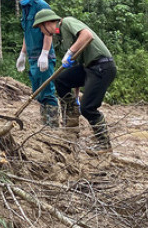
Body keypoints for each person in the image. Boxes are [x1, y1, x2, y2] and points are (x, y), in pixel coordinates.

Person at [32, 9, 116, 152]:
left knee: (88, 108)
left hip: (102, 66)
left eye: (41, 28)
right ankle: (72, 119)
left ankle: (104, 144)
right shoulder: (61, 37)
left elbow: (87, 35)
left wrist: (70, 52)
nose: (42, 32)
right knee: (61, 80)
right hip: (87, 68)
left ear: (46, 23)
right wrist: (75, 96)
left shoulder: (67, 22)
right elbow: (76, 67)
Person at [8, 0, 59, 126]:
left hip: (44, 56)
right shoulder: (25, 9)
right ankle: (45, 124)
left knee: (47, 90)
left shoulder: (41, 6)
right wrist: (22, 54)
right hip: (32, 56)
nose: (19, 0)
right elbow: (27, 32)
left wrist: (45, 53)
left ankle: (53, 126)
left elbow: (50, 31)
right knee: (38, 92)